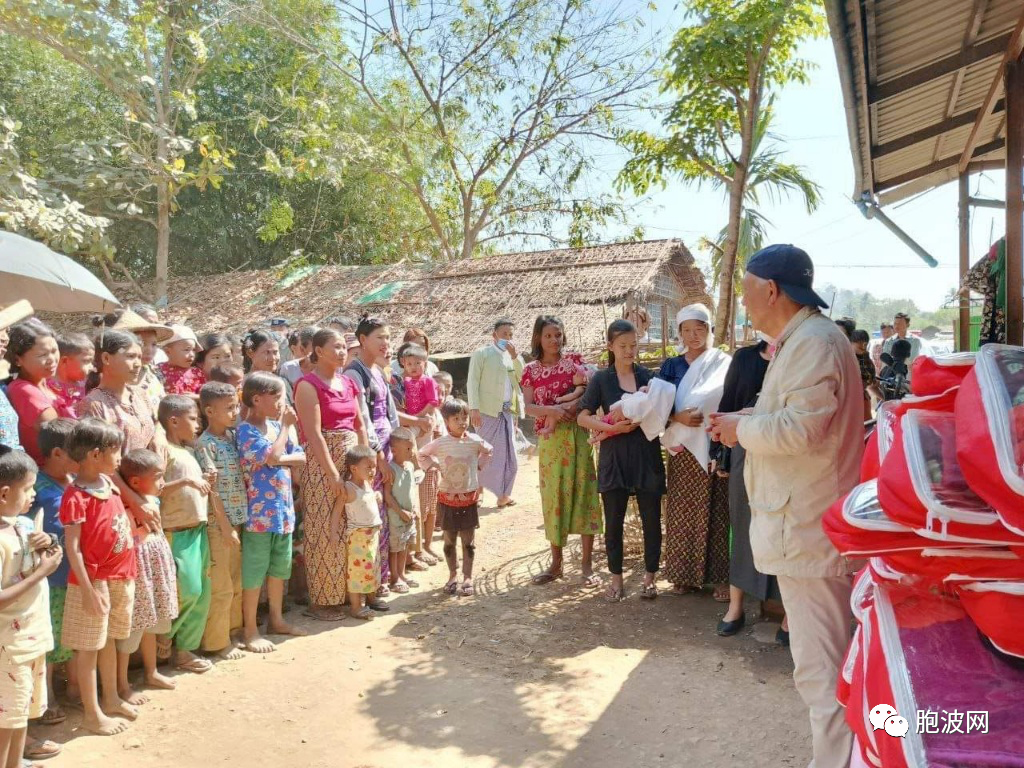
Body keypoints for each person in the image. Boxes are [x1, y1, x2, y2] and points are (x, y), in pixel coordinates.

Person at [709, 244, 862, 768]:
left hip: (810, 530)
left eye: (747, 290)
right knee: (826, 666)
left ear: (770, 290)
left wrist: (740, 426)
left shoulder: (813, 343)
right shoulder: (804, 340)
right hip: (807, 526)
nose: (744, 302)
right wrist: (750, 417)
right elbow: (797, 413)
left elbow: (800, 429)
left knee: (823, 671)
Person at [577, 320, 665, 603]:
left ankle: (650, 577)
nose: (629, 351)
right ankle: (616, 578)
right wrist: (611, 428)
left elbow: (663, 412)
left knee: (652, 520)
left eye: (633, 345)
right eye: (623, 346)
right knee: (613, 522)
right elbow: (582, 416)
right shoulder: (601, 380)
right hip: (614, 458)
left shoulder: (648, 377)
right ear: (610, 346)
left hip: (646, 456)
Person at [60, 418, 137, 736]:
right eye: (115, 451)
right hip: (93, 582)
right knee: (89, 647)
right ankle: (92, 714)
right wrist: (90, 590)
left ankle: (111, 698)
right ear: (94, 455)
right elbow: (73, 548)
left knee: (108, 640)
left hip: (120, 576)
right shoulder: (75, 496)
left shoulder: (109, 484)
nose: (120, 458)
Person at [710, 339, 786, 641]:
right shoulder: (744, 358)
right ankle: (736, 606)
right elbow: (727, 405)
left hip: (785, 456)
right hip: (744, 451)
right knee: (741, 526)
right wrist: (719, 452)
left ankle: (789, 615)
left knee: (783, 529)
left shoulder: (797, 355)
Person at [294, 329, 370, 622]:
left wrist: (364, 463)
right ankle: (323, 601)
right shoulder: (307, 385)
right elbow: (314, 435)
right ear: (318, 350)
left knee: (352, 526)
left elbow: (359, 424)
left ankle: (351, 595)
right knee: (325, 530)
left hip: (351, 459)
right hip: (321, 464)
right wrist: (331, 475)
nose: (341, 352)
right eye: (335, 347)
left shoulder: (349, 382)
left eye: (343, 347)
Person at [520, 315, 602, 586]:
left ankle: (587, 566)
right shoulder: (530, 370)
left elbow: (590, 394)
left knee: (585, 493)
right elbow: (528, 407)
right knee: (554, 496)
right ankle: (556, 564)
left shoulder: (575, 364)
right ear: (538, 339)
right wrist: (553, 410)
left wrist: (574, 407)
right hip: (552, 440)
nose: (554, 340)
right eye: (548, 336)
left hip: (578, 436)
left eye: (558, 335)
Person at [659, 304, 732, 598]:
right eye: (686, 330)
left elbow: (732, 399)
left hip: (715, 445)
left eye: (699, 329)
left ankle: (722, 578)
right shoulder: (671, 367)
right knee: (683, 510)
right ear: (679, 333)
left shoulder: (722, 363)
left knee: (718, 510)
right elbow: (656, 406)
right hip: (682, 448)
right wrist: (678, 418)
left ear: (709, 330)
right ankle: (683, 575)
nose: (693, 336)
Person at [0, 446, 63, 765]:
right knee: (6, 718)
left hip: (31, 639)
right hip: (9, 649)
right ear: (4, 493)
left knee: (21, 712)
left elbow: (52, 552)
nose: (32, 497)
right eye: (27, 490)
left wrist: (50, 544)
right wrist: (41, 573)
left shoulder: (22, 525)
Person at [237, 372, 307, 652]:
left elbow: (299, 456)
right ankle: (250, 629)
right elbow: (274, 457)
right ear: (257, 399)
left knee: (280, 568)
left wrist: (280, 457)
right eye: (276, 396)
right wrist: (286, 431)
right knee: (254, 573)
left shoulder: (274, 427)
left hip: (282, 511)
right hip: (258, 515)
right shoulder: (246, 430)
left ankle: (276, 620)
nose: (282, 403)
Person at [77, 331, 161, 538]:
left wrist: (159, 435)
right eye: (130, 356)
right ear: (106, 358)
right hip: (118, 502)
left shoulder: (141, 395)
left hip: (149, 496)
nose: (137, 363)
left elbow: (155, 425)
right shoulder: (93, 405)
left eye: (139, 358)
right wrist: (134, 500)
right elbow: (100, 463)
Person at [345, 316, 404, 595]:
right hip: (369, 453)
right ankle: (373, 582)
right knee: (371, 516)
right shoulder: (355, 373)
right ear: (362, 340)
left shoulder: (378, 371)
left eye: (388, 337)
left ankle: (388, 574)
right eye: (379, 337)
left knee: (386, 513)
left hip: (386, 448)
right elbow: (363, 418)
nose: (385, 343)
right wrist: (377, 455)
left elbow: (390, 414)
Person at [158, 395, 215, 675]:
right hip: (175, 530)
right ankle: (163, 639)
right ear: (173, 420)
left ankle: (184, 650)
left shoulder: (189, 450)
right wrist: (186, 481)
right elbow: (154, 488)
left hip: (198, 529)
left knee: (202, 592)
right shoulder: (163, 448)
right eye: (192, 419)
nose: (197, 425)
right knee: (187, 590)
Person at [115, 449, 179, 698]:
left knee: (151, 620)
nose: (163, 482)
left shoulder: (152, 500)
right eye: (158, 477)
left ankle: (151, 672)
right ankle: (122, 683)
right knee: (134, 626)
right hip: (139, 570)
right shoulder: (125, 506)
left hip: (156, 566)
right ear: (134, 482)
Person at [419, 399, 493, 597]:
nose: (462, 422)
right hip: (447, 500)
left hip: (469, 499)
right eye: (456, 418)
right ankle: (452, 575)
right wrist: (434, 467)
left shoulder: (474, 441)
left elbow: (489, 450)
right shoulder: (441, 443)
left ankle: (467, 577)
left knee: (469, 541)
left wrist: (478, 466)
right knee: (449, 540)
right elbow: (421, 455)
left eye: (464, 417)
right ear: (446, 421)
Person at [196, 383, 246, 660]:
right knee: (221, 586)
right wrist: (226, 527)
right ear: (209, 411)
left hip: (236, 521)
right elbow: (211, 488)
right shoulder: (205, 445)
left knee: (236, 582)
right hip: (219, 525)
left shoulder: (232, 437)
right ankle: (216, 641)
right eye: (228, 408)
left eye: (235, 406)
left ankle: (233, 631)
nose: (234, 412)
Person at [32, 419, 77, 725]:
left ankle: (75, 689)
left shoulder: (74, 480)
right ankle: (47, 697)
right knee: (50, 639)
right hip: (51, 579)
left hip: (78, 574)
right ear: (58, 452)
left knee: (72, 636)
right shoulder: (35, 488)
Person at [467, 319, 523, 508]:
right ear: (494, 335)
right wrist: (473, 408)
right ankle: (478, 492)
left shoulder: (513, 358)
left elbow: (522, 378)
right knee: (485, 453)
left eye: (510, 335)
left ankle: (504, 495)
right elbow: (472, 382)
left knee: (510, 457)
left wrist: (515, 357)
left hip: (507, 413)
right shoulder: (482, 354)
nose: (507, 338)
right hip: (485, 412)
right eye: (504, 334)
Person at [5, 319, 74, 463]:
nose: (52, 359)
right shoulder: (23, 390)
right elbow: (63, 435)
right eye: (42, 355)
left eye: (54, 351)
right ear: (18, 360)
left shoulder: (49, 384)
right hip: (47, 472)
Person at [336, 445, 384, 620]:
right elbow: (337, 511)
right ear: (354, 468)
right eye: (368, 467)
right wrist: (333, 534)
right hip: (358, 537)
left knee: (371, 568)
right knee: (357, 573)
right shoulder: (348, 488)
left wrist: (376, 495)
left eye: (374, 466)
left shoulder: (367, 484)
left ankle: (371, 599)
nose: (373, 470)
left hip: (372, 535)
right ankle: (356, 607)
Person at [110, 309, 173, 414]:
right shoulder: (116, 379)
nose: (149, 350)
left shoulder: (154, 373)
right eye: (142, 343)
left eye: (154, 344)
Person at [385, 428, 422, 593]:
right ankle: (394, 578)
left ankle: (402, 574)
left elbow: (411, 489)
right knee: (395, 549)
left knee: (404, 546)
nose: (411, 452)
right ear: (394, 450)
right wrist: (400, 512)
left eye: (412, 447)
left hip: (409, 516)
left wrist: (413, 508)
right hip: (396, 517)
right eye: (407, 449)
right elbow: (387, 495)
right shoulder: (391, 469)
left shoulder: (409, 466)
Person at [399, 344, 442, 441]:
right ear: (404, 365)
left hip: (425, 419)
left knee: (423, 448)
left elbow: (433, 402)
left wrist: (419, 417)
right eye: (409, 364)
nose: (413, 367)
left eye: (417, 363)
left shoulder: (428, 381)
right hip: (412, 421)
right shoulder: (405, 381)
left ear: (425, 364)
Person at [158, 325, 205, 398]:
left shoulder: (196, 373)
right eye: (187, 349)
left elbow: (206, 397)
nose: (192, 354)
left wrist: (196, 397)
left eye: (193, 350)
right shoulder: (158, 370)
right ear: (168, 351)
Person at [49, 333, 94, 409]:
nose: (91, 367)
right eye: (86, 361)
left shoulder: (85, 383)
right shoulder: (50, 388)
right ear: (64, 361)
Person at [881, 312, 922, 376]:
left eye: (900, 324)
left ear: (908, 325)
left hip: (909, 376)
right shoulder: (889, 341)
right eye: (895, 323)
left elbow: (912, 360)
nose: (897, 326)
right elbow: (885, 361)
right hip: (891, 378)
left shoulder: (915, 341)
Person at [851, 329, 876, 421]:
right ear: (851, 343)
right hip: (849, 401)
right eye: (859, 344)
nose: (863, 346)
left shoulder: (867, 361)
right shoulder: (845, 360)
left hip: (863, 399)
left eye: (865, 344)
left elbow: (871, 384)